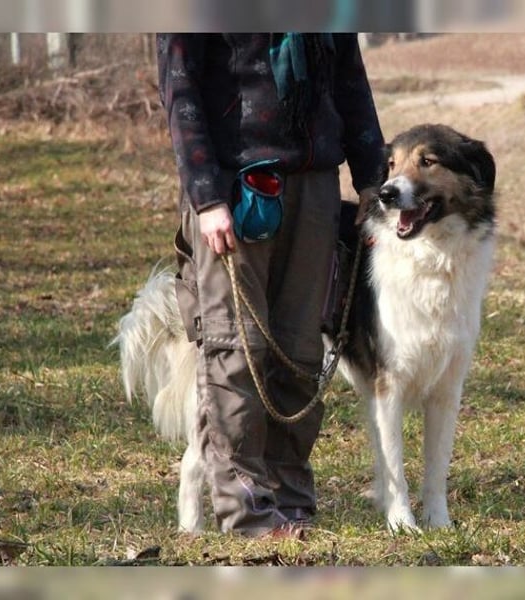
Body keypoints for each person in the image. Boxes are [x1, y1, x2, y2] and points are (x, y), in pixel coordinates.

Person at [157, 33, 384, 537]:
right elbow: (180, 89)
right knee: (235, 350)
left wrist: (372, 177)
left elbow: (350, 78)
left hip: (315, 186)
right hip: (234, 188)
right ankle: (248, 513)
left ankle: (291, 501)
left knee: (299, 351)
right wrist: (206, 197)